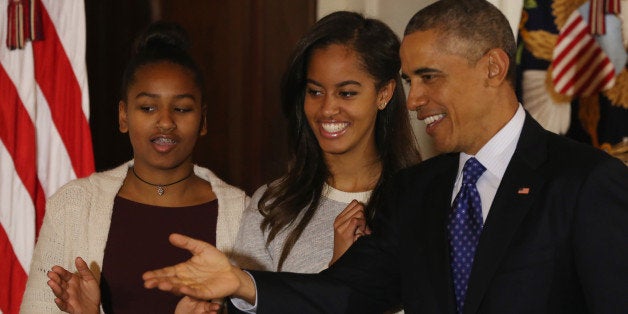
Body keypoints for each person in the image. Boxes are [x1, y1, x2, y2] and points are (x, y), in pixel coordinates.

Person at [142, 1, 628, 313]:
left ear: (493, 68)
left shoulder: (586, 182)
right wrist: (243, 283)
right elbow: (349, 291)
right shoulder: (419, 189)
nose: (413, 100)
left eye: (429, 77)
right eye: (410, 81)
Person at [19, 22, 249, 314]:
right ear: (123, 115)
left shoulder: (242, 213)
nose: (165, 121)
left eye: (182, 108)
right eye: (148, 107)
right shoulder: (74, 205)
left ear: (202, 121)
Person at [232, 10, 419, 277]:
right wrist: (337, 271)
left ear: (384, 93)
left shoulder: (421, 202)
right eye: (315, 92)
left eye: (346, 93)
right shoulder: (273, 205)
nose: (328, 109)